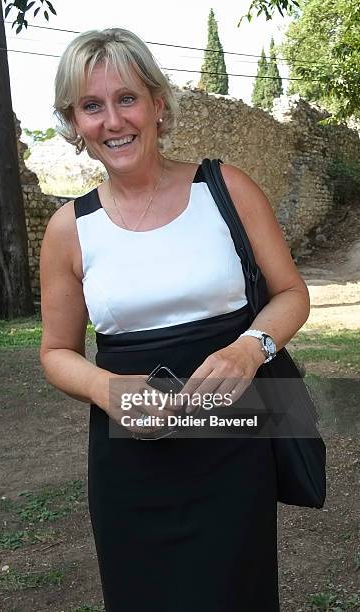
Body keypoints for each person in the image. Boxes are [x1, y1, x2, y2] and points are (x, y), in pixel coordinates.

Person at [40, 27, 310, 612]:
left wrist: (250, 347)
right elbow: (56, 352)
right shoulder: (69, 229)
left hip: (234, 445)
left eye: (127, 98)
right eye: (92, 106)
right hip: (130, 462)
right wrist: (106, 388)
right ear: (75, 123)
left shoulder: (227, 189)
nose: (113, 120)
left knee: (237, 591)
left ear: (158, 105)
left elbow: (291, 292)